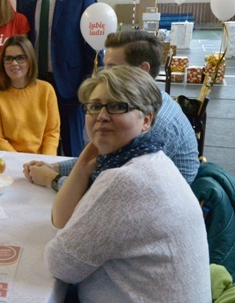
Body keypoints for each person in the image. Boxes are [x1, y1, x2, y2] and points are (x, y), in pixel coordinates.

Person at [45, 66, 211, 303]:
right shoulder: (149, 158)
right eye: (94, 106)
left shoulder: (125, 180)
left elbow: (61, 265)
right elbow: (62, 219)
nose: (102, 115)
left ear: (146, 120)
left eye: (118, 105)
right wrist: (84, 163)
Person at [24, 30, 200, 189]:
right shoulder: (148, 102)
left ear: (142, 70)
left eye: (113, 68)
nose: (103, 75)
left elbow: (102, 189)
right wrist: (55, 167)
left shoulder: (153, 124)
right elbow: (100, 159)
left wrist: (52, 179)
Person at [16, 0, 100, 157]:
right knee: (38, 140)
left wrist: (89, 81)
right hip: (35, 82)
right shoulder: (23, 0)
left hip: (70, 84)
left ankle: (74, 187)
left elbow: (93, 40)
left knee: (73, 145)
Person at [0, 36, 59, 154]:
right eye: (8, 59)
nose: (14, 63)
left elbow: (52, 133)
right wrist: (20, 161)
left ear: (30, 60)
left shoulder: (46, 90)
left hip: (40, 162)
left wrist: (46, 161)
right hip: (5, 161)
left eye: (20, 58)